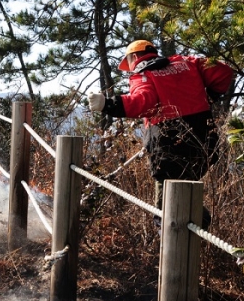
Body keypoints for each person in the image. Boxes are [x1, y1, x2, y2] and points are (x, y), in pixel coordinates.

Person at [87, 40, 235, 229]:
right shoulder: (185, 62)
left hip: (169, 146)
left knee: (166, 213)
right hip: (205, 140)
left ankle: (191, 232)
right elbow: (223, 71)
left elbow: (144, 101)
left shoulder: (143, 73)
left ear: (134, 57)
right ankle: (193, 234)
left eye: (129, 63)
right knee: (184, 192)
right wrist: (210, 96)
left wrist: (108, 104)